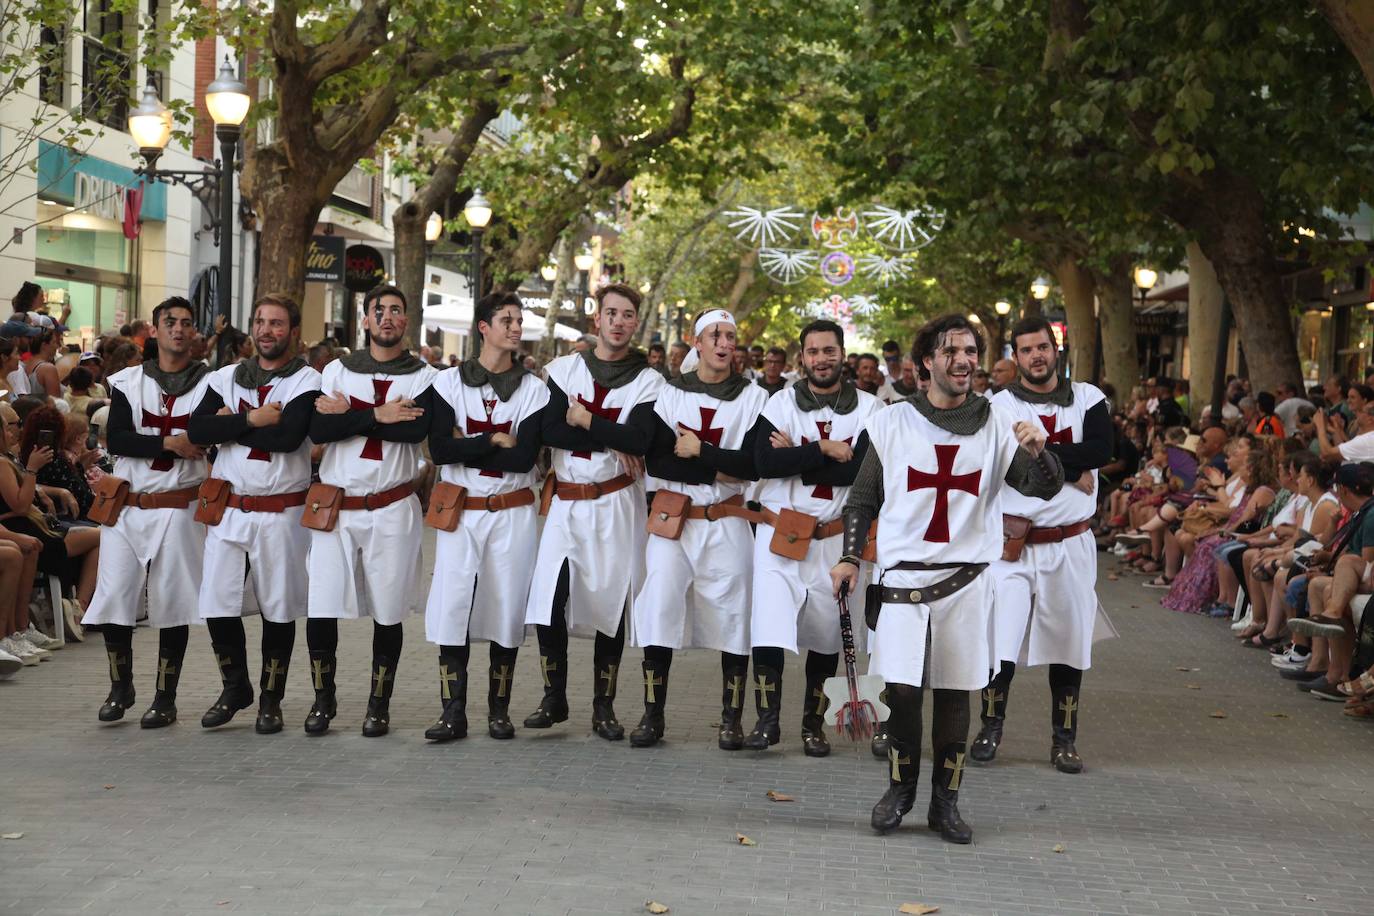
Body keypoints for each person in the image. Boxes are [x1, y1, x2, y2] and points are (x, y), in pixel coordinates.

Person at [831, 313, 1062, 844]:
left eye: (970, 351)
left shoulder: (998, 425)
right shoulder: (891, 423)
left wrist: (1041, 452)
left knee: (958, 693)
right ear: (925, 364)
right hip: (902, 580)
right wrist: (848, 558)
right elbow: (863, 497)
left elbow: (1044, 488)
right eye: (951, 351)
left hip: (966, 581)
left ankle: (946, 803)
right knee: (903, 692)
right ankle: (900, 791)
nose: (963, 360)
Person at [520, 283, 660, 741]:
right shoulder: (563, 370)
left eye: (627, 315)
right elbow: (551, 432)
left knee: (612, 601)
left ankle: (604, 706)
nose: (619, 321)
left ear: (635, 323)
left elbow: (642, 441)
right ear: (596, 319)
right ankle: (553, 695)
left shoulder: (649, 380)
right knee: (549, 598)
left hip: (618, 503)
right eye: (611, 313)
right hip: (567, 503)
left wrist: (587, 420)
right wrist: (610, 436)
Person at [978, 316, 1118, 773]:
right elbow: (1000, 460)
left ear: (1056, 349)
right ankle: (990, 728)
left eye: (1042, 347)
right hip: (1012, 543)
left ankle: (1064, 740)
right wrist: (1066, 468)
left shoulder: (1089, 398)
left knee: (1068, 643)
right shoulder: (998, 406)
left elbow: (1102, 450)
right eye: (1026, 350)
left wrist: (1044, 452)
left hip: (1070, 544)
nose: (1036, 356)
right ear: (1014, 357)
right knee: (1000, 638)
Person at [630, 308, 768, 749]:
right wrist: (719, 468)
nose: (725, 343)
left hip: (726, 522)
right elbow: (659, 459)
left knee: (735, 616)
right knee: (659, 610)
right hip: (674, 522)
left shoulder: (753, 398)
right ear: (698, 342)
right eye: (717, 335)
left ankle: (731, 720)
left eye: (731, 335)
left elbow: (751, 463)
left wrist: (701, 451)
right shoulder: (669, 394)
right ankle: (653, 716)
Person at [306, 285, 438, 737]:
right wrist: (378, 414)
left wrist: (353, 413)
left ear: (407, 320)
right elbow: (319, 425)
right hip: (336, 506)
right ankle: (323, 700)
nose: (386, 317)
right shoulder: (338, 369)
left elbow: (416, 430)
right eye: (377, 310)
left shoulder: (424, 377)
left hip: (392, 505)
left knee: (389, 610)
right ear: (364, 319)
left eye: (395, 311)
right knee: (322, 604)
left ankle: (378, 704)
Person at [188, 295, 322, 734]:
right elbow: (198, 429)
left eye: (277, 323)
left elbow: (288, 438)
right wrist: (254, 418)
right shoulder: (226, 377)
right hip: (229, 508)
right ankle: (235, 686)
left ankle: (270, 698)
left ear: (293, 331)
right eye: (261, 322)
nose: (267, 330)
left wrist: (233, 425)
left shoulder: (306, 380)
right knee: (217, 602)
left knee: (277, 608)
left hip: (280, 511)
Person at [749, 319, 880, 756]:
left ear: (843, 354)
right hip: (781, 534)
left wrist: (794, 456)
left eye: (829, 350)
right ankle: (767, 723)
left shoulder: (869, 408)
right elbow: (762, 462)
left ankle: (812, 725)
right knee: (769, 626)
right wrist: (821, 449)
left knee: (826, 635)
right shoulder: (780, 402)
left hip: (834, 538)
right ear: (801, 357)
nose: (821, 359)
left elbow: (861, 472)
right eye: (812, 351)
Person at [79, 297, 209, 726]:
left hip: (178, 505)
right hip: (128, 505)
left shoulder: (210, 384)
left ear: (193, 333)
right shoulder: (129, 382)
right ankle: (120, 686)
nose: (177, 329)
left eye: (185, 323)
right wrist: (168, 443)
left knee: (172, 600)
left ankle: (165, 697)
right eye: (169, 322)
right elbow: (117, 438)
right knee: (115, 594)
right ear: (154, 330)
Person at [423, 292, 547, 741]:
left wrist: (468, 441)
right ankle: (452, 712)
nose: (516, 327)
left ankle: (499, 710)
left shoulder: (534, 390)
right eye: (507, 320)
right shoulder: (447, 384)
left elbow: (525, 460)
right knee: (453, 604)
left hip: (512, 512)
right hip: (462, 512)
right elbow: (439, 449)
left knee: (507, 604)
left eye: (519, 320)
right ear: (484, 327)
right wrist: (494, 439)